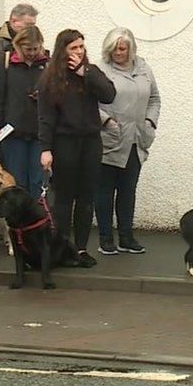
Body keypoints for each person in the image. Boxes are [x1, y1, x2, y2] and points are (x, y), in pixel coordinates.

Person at [38, 29, 116, 268]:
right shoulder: (50, 79)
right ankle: (62, 248)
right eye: (74, 48)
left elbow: (109, 95)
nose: (79, 52)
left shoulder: (91, 72)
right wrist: (46, 148)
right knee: (63, 198)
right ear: (63, 51)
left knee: (86, 198)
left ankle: (81, 248)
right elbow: (45, 117)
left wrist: (86, 73)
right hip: (65, 143)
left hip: (90, 142)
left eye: (81, 47)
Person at [95, 27, 161, 256]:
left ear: (131, 48)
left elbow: (154, 98)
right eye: (113, 49)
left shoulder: (143, 68)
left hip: (136, 140)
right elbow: (90, 103)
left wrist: (150, 122)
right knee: (104, 191)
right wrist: (106, 122)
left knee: (128, 191)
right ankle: (105, 238)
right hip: (110, 140)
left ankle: (126, 237)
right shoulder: (100, 70)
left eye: (122, 49)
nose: (118, 53)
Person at [0, 26, 48, 198]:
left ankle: (38, 221)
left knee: (38, 181)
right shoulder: (6, 62)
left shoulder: (47, 64)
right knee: (16, 181)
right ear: (18, 45)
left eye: (36, 48)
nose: (33, 53)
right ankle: (18, 223)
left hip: (39, 133)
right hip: (13, 133)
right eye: (28, 49)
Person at [0, 3, 38, 161]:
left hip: (23, 125)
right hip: (0, 125)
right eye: (28, 25)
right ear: (14, 21)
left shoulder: (31, 48)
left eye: (34, 25)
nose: (31, 29)